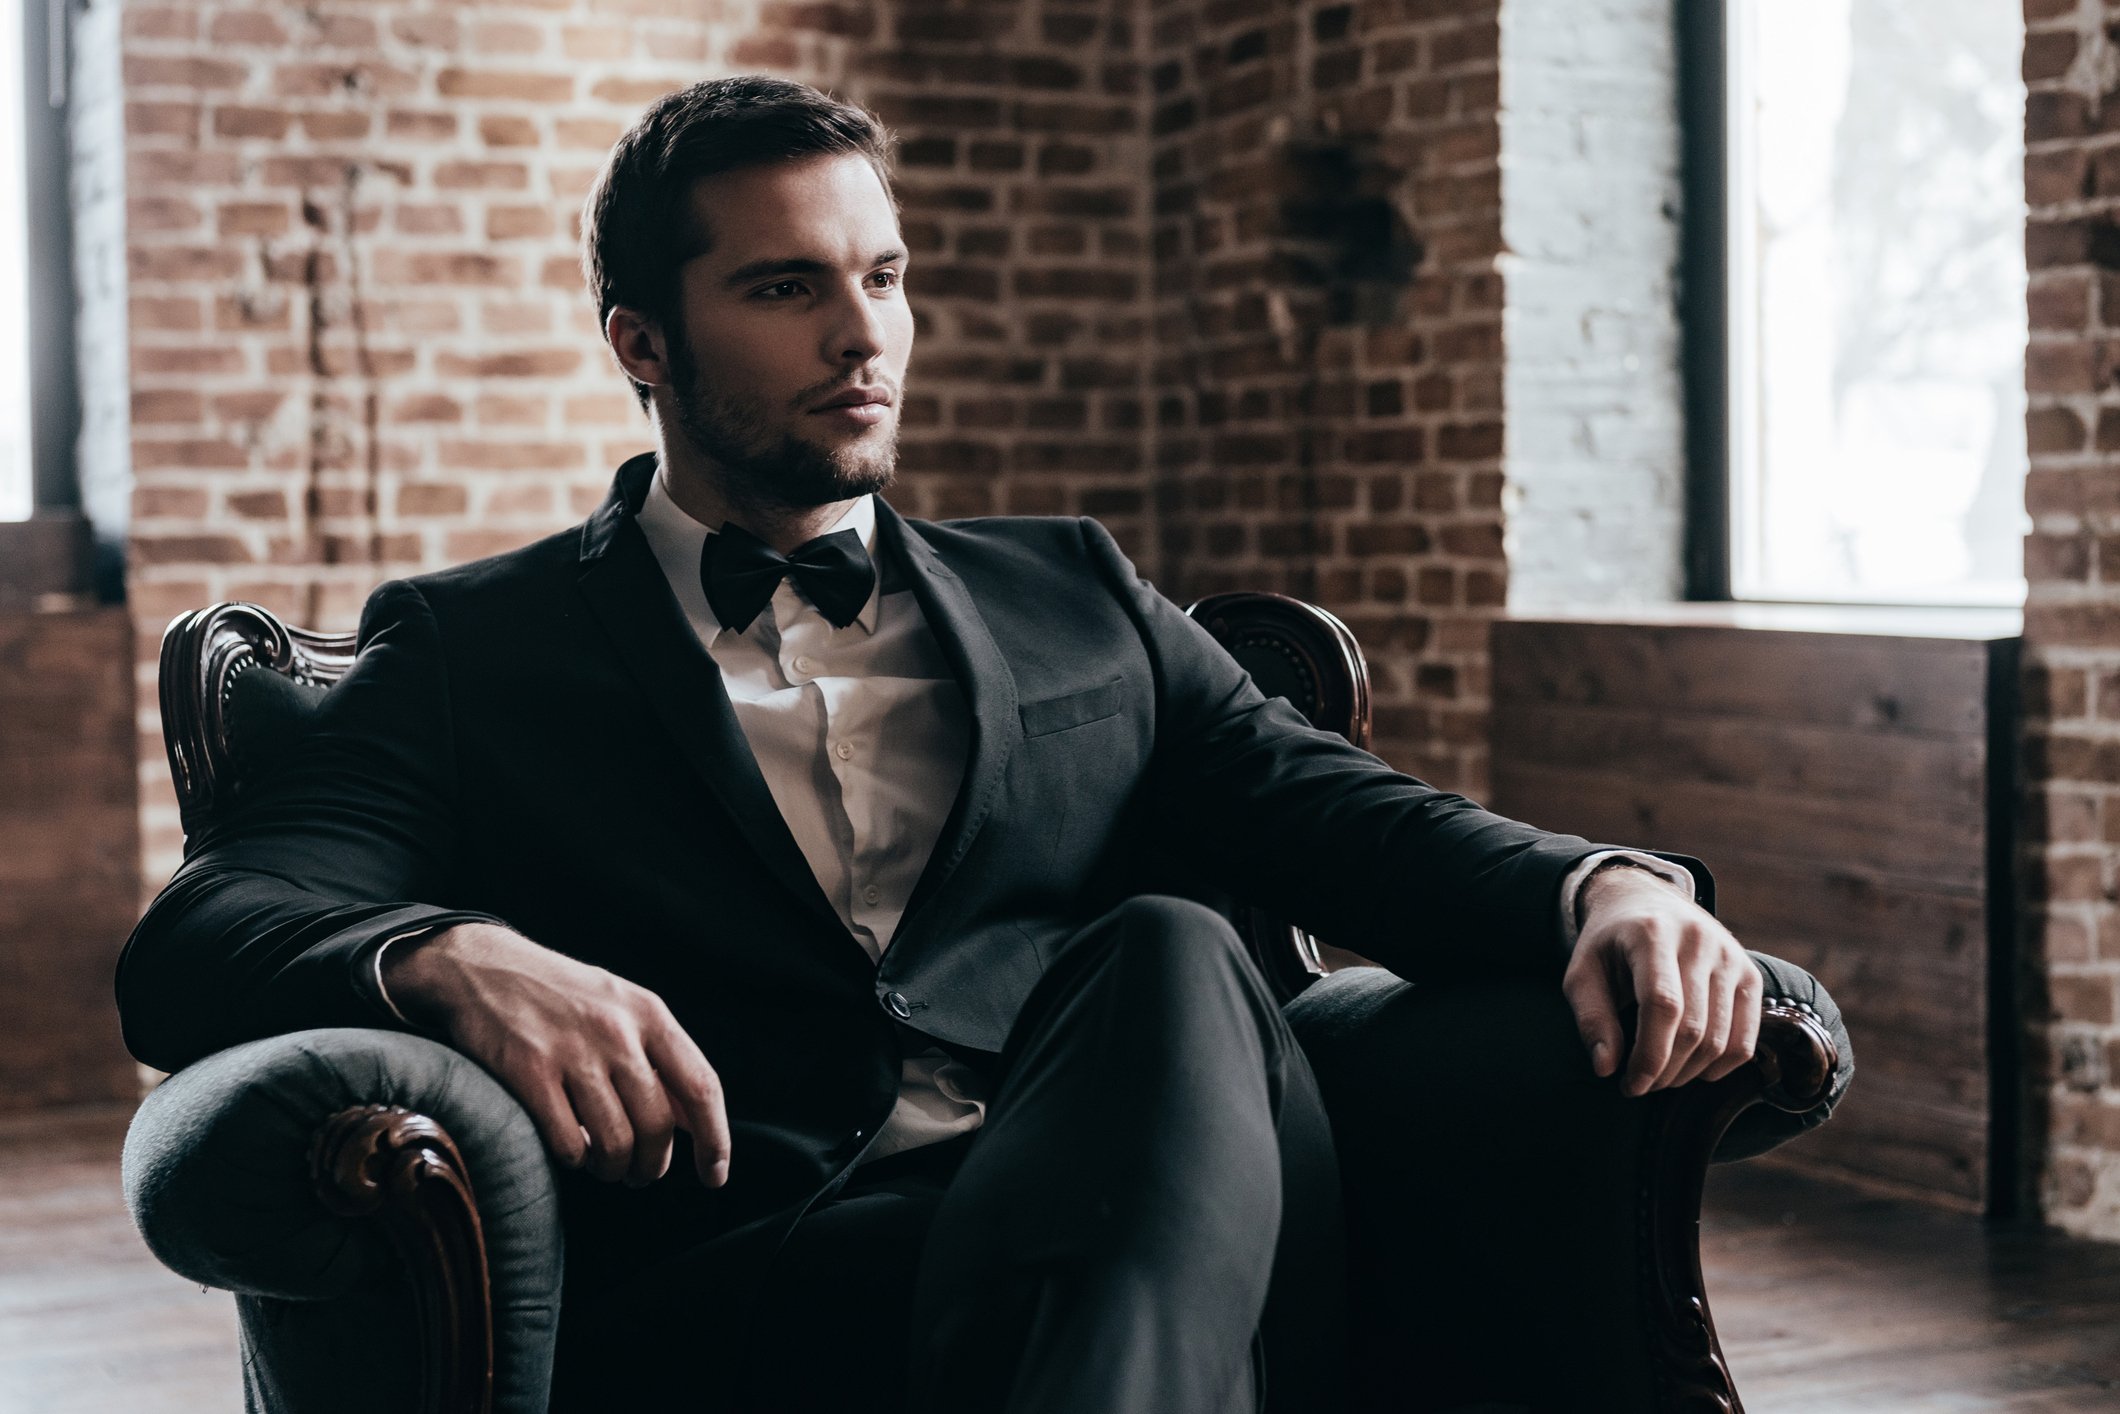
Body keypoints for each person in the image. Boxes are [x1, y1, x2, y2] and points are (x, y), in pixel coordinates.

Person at [118, 76, 1838, 1414]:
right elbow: (201, 934)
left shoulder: (1073, 596)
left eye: (882, 277)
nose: (862, 335)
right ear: (640, 340)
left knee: (1168, 956)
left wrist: (1602, 883)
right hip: (778, 1271)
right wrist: (447, 953)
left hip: (1157, 1206)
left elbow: (1346, 819)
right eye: (788, 287)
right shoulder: (474, 649)